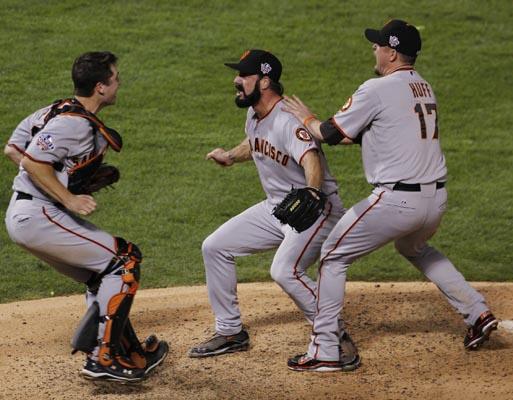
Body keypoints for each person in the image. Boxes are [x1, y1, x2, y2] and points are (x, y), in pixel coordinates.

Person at [283, 20, 499, 372]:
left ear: (392, 52)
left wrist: (304, 116)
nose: (374, 49)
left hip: (398, 202)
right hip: (436, 201)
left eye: (378, 45)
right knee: (414, 247)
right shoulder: (424, 86)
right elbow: (385, 133)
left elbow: (327, 133)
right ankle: (477, 312)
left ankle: (325, 350)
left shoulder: (376, 89)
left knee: (332, 257)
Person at [188, 49, 360, 371]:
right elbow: (253, 142)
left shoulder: (286, 119)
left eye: (243, 75)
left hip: (316, 211)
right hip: (279, 208)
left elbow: (309, 156)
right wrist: (230, 155)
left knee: (284, 270)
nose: (236, 81)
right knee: (215, 246)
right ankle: (230, 332)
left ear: (264, 81)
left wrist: (311, 191)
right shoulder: (254, 113)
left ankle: (335, 337)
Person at [4, 51, 168, 383]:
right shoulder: (73, 124)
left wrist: (59, 178)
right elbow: (33, 163)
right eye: (115, 77)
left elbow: (14, 149)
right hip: (37, 215)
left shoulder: (55, 109)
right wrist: (67, 196)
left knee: (102, 271)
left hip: (32, 213)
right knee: (125, 259)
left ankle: (129, 351)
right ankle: (103, 358)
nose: (119, 82)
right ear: (100, 87)